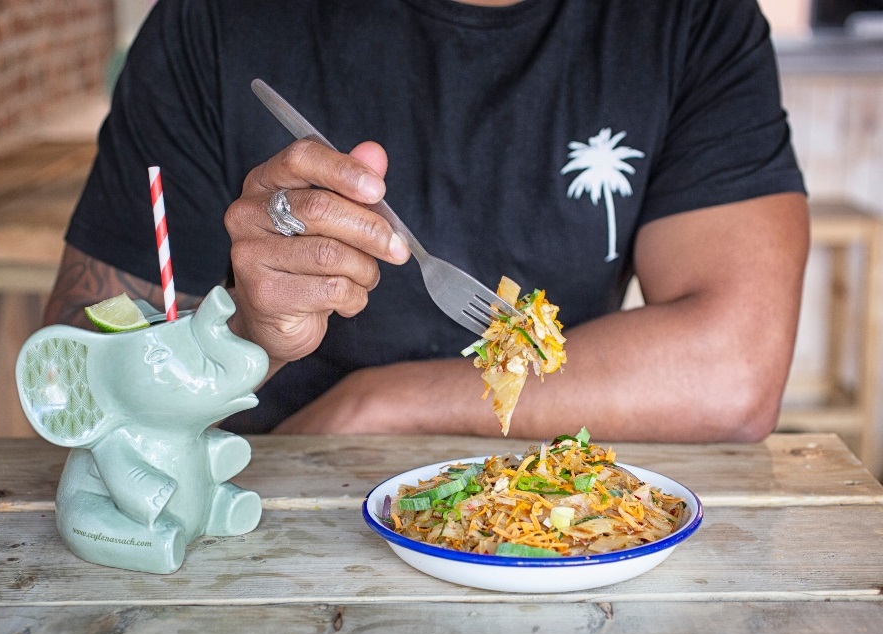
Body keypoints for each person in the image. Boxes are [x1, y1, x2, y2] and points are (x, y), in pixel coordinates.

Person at [45, 0, 809, 442]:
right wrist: (245, 338)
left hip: (552, 521)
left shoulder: (691, 21)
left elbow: (734, 371)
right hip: (263, 518)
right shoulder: (215, 20)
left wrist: (379, 403)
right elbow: (75, 385)